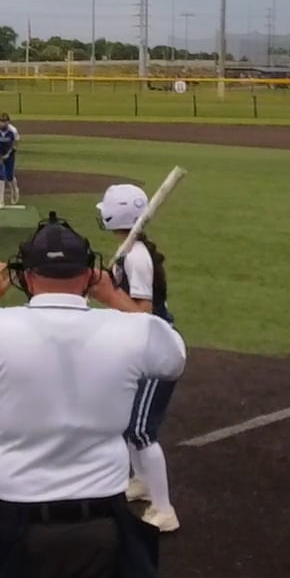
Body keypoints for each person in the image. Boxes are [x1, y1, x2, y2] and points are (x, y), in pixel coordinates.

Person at [0, 215, 185, 578]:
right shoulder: (130, 331)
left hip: (18, 523)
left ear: (27, 277)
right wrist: (114, 296)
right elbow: (174, 354)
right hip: (101, 523)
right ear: (89, 275)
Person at [96, 184, 180, 534]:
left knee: (141, 429)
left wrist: (107, 293)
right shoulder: (128, 251)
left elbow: (143, 314)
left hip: (155, 350)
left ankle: (164, 510)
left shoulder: (136, 257)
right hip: (137, 348)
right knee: (126, 424)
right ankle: (143, 482)